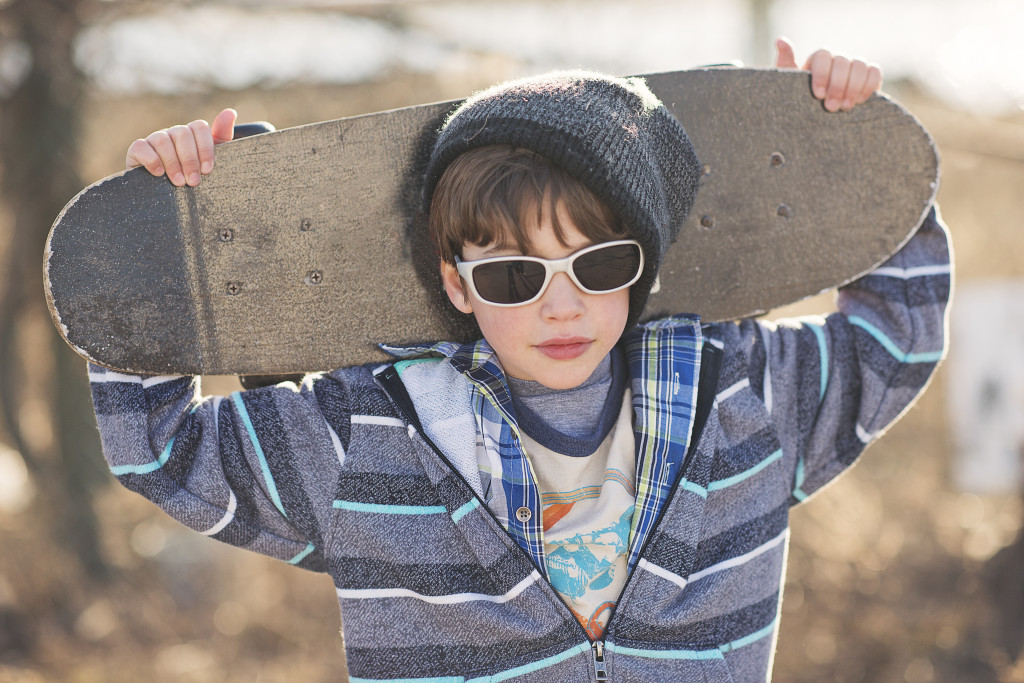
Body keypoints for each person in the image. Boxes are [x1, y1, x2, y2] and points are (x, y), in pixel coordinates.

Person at [90, 38, 949, 681]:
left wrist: (847, 154)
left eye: (600, 263)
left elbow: (893, 342)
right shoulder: (372, 440)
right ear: (456, 285)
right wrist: (171, 244)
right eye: (511, 274)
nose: (561, 304)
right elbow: (163, 449)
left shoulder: (741, 398)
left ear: (642, 265)